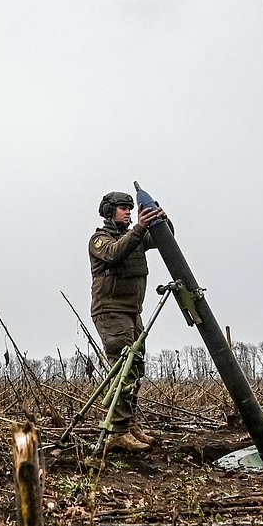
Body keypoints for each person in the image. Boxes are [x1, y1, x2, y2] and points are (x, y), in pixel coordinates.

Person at [88, 190, 165, 452]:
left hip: (133, 312)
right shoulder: (99, 239)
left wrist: (162, 221)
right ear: (109, 211)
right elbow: (114, 253)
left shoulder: (137, 236)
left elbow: (165, 239)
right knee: (123, 369)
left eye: (130, 208)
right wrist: (140, 228)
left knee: (135, 369)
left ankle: (128, 424)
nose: (128, 212)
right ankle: (118, 432)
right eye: (122, 208)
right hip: (110, 311)